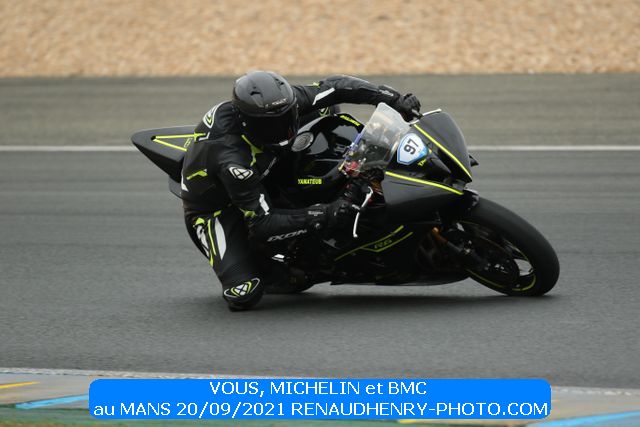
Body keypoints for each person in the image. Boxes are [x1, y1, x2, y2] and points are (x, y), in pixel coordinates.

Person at [181, 71, 420, 310]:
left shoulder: (286, 101)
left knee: (326, 109)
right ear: (247, 122)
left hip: (268, 163)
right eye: (271, 125)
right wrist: (324, 213)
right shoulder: (233, 161)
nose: (284, 129)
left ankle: (354, 164)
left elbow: (336, 87)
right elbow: (263, 224)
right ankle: (271, 265)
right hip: (218, 207)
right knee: (244, 294)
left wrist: (393, 99)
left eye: (287, 117)